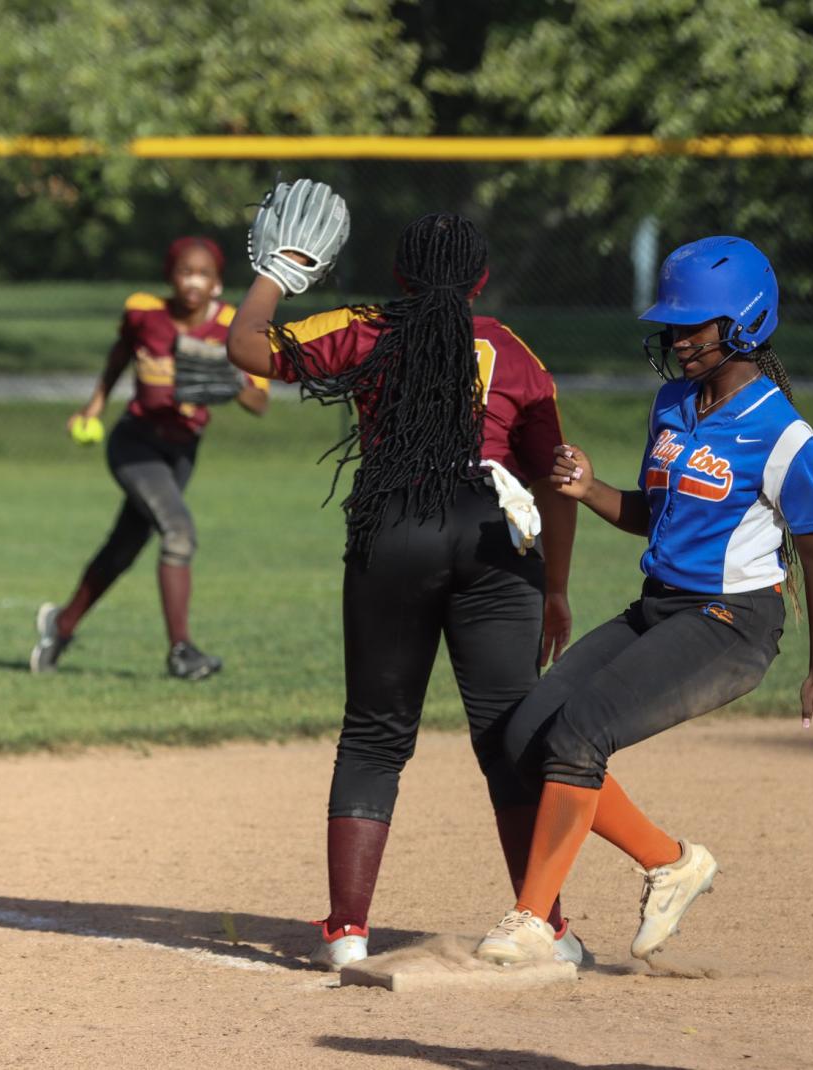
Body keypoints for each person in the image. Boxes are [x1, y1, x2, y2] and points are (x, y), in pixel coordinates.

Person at [227, 179, 584, 971]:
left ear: (399, 276)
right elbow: (554, 481)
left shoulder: (364, 328)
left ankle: (347, 932)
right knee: (510, 738)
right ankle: (543, 924)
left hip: (394, 526)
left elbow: (248, 347)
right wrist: (555, 585)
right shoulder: (515, 352)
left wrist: (274, 277)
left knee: (375, 732)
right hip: (494, 535)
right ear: (481, 283)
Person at [473, 235, 813, 966]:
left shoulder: (783, 433)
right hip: (659, 605)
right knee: (523, 737)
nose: (677, 338)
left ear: (746, 323)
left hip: (731, 623)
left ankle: (531, 921)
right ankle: (671, 863)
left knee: (577, 735)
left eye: (692, 324)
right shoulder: (673, 402)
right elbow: (655, 510)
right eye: (671, 324)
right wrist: (590, 489)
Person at [32, 236, 269, 680]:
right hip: (134, 444)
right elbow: (121, 353)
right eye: (185, 271)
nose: (193, 281)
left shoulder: (233, 327)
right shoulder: (145, 312)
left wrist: (233, 379)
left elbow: (260, 403)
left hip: (181, 452)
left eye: (203, 273)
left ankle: (60, 625)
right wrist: (95, 404)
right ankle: (181, 652)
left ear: (217, 283)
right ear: (170, 276)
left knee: (125, 545)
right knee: (178, 533)